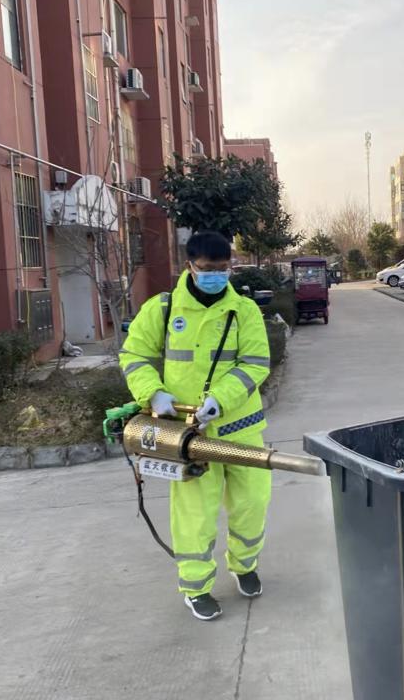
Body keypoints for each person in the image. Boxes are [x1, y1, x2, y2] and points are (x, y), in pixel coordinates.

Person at [119, 231, 272, 621]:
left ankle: (245, 565)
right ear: (189, 266)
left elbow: (255, 363)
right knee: (194, 513)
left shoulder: (244, 311)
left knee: (252, 503)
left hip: (241, 429)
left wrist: (220, 399)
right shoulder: (164, 309)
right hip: (187, 437)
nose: (216, 276)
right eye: (207, 269)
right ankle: (196, 586)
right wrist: (153, 393)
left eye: (223, 269)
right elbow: (134, 354)